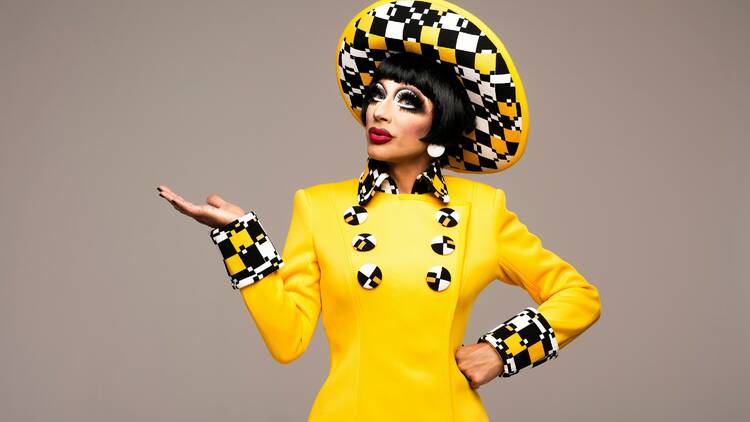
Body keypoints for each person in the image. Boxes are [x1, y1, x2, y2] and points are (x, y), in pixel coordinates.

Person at [157, 1, 601, 420]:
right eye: (377, 94)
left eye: (407, 101)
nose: (379, 112)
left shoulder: (483, 211)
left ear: (439, 125)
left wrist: (502, 350)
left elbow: (578, 296)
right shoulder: (318, 206)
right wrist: (241, 236)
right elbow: (287, 339)